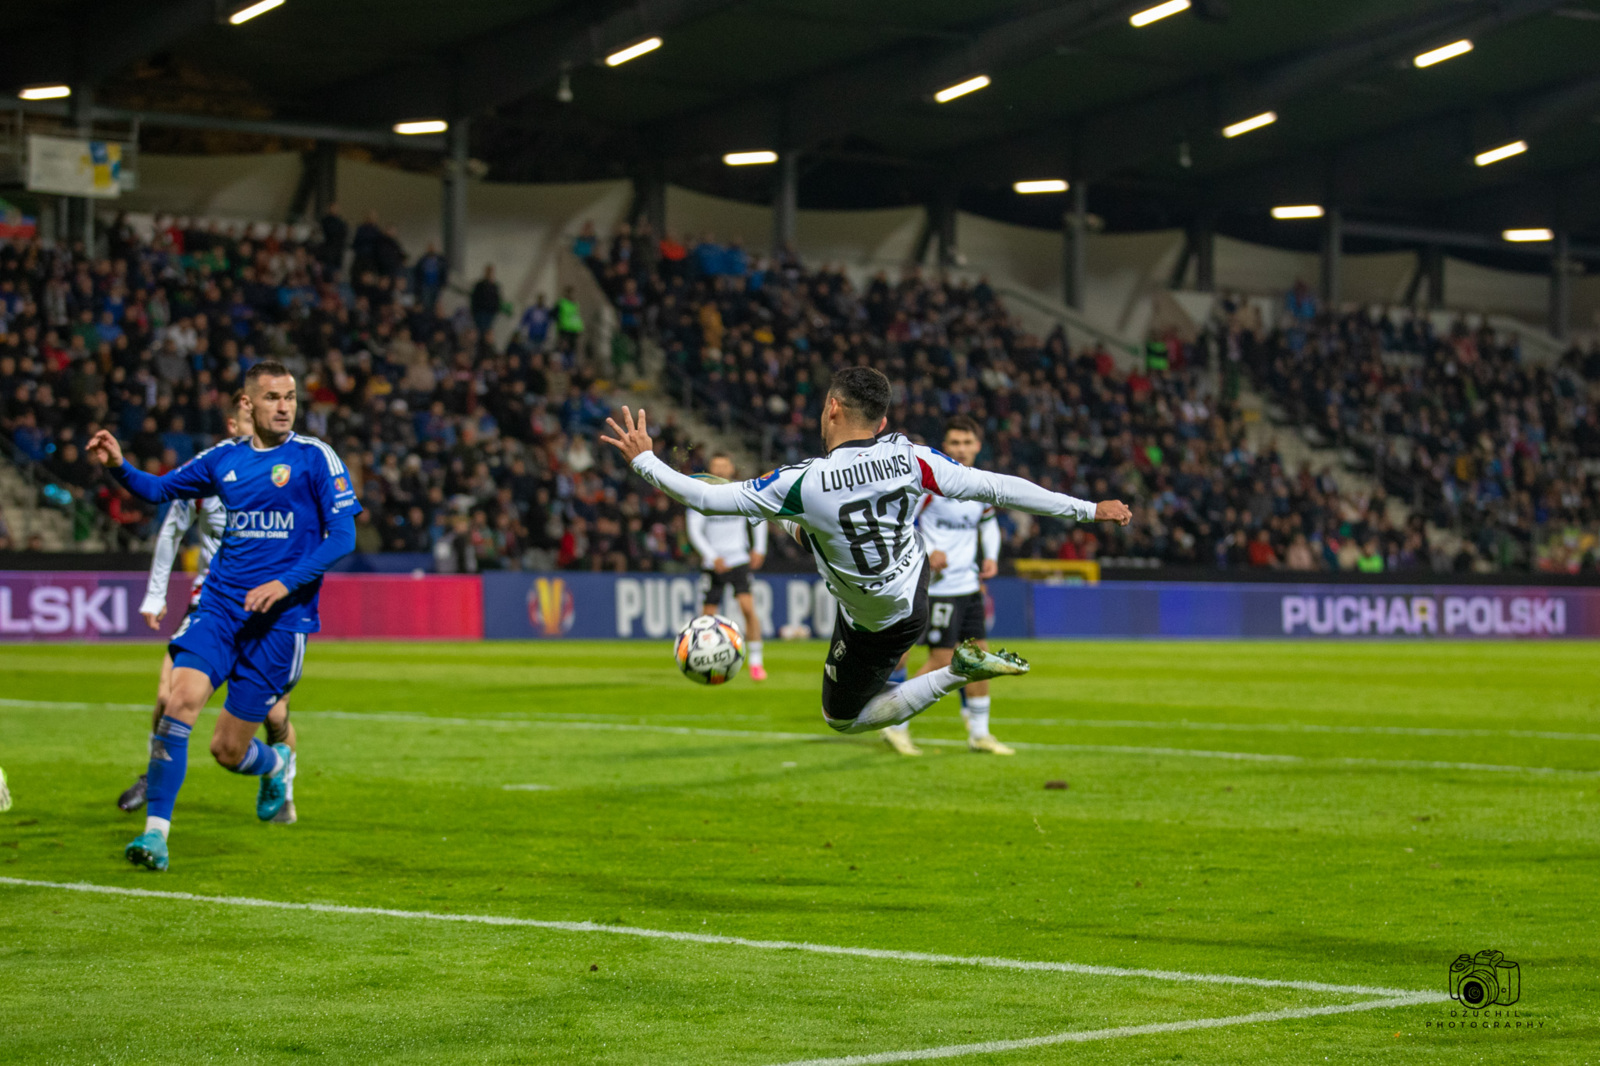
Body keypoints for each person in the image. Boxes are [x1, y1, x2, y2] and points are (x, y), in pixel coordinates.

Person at [601, 367, 1131, 733]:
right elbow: (998, 487)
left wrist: (645, 461)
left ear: (832, 407)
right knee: (809, 522)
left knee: (844, 719)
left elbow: (703, 499)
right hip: (914, 576)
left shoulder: (803, 481)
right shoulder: (912, 457)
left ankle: (956, 673)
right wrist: (1085, 508)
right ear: (881, 422)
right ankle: (805, 530)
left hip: (876, 622)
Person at [87, 360, 360, 871]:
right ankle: (155, 837)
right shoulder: (223, 460)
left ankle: (276, 763)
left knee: (227, 750)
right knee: (178, 701)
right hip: (220, 606)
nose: (284, 407)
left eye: (291, 397)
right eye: (274, 397)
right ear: (248, 404)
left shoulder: (315, 458)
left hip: (280, 623)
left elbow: (343, 535)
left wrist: (283, 583)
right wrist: (118, 466)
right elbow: (159, 490)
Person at [115, 391, 298, 823]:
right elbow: (170, 532)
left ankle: (283, 782)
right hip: (211, 602)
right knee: (168, 697)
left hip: (267, 611)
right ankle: (153, 778)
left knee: (275, 715)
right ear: (233, 427)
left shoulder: (285, 474)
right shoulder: (205, 473)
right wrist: (156, 596)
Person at [882, 416, 1009, 757]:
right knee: (940, 662)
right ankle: (894, 723)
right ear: (945, 447)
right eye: (955, 443)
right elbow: (896, 523)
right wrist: (924, 546)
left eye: (968, 443)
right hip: (936, 588)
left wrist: (992, 555)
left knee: (980, 658)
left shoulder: (981, 485)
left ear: (978, 446)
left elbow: (988, 522)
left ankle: (979, 734)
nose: (962, 449)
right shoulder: (928, 485)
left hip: (967, 586)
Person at [686, 452, 770, 681]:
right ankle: (705, 659)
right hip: (714, 563)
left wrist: (759, 548)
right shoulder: (701, 494)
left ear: (732, 468)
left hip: (738, 559)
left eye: (724, 465)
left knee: (747, 608)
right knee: (708, 616)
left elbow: (758, 516)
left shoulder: (740, 491)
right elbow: (694, 530)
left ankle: (755, 662)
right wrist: (712, 556)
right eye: (716, 465)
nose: (721, 470)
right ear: (710, 469)